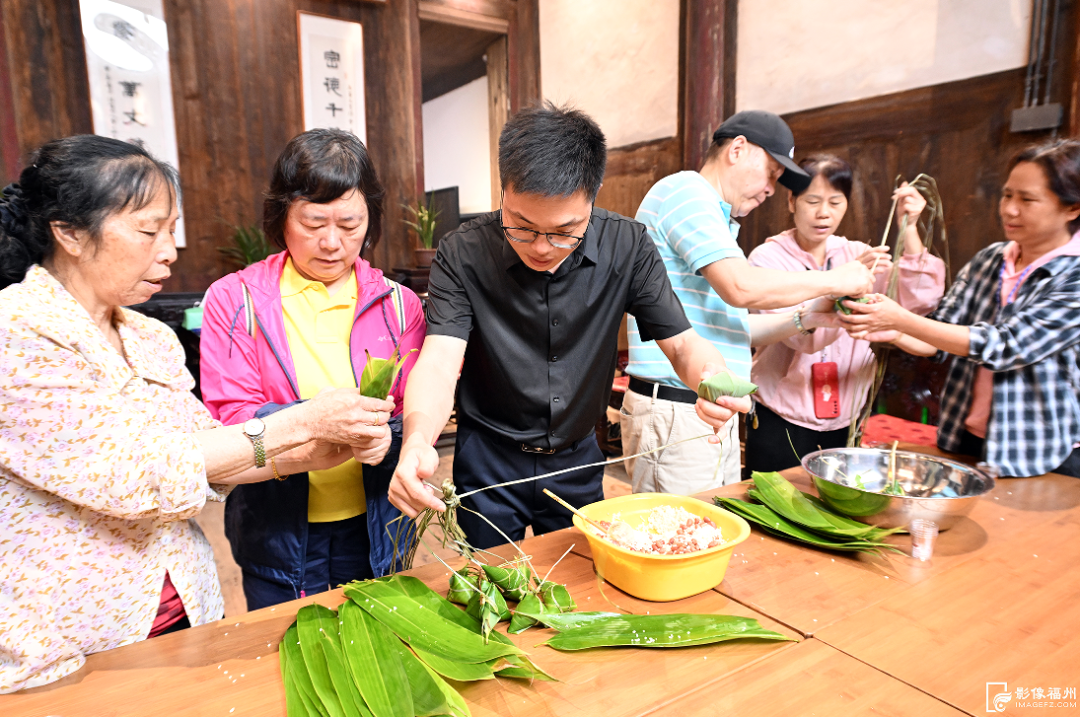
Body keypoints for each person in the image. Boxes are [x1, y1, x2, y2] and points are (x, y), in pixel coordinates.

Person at [0, 135, 395, 693]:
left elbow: (211, 450)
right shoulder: (16, 333)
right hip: (70, 643)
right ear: (68, 232)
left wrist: (308, 452)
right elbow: (132, 475)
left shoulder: (147, 336)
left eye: (170, 230)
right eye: (148, 231)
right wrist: (302, 423)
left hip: (184, 609)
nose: (168, 251)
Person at [388, 103, 752, 549]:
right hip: (488, 459)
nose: (541, 247)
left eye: (565, 231)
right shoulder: (462, 252)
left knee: (578, 583)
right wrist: (418, 440)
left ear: (593, 194)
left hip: (578, 459)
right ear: (502, 190)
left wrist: (709, 380)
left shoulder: (628, 245)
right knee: (487, 581)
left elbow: (681, 344)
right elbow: (441, 361)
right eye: (521, 226)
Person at [199, 129, 425, 610]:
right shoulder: (235, 301)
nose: (331, 243)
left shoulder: (400, 306)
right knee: (293, 657)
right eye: (313, 222)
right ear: (281, 217)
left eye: (349, 224)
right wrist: (313, 420)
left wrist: (390, 440)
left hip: (375, 529)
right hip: (276, 530)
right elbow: (230, 415)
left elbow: (414, 413)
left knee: (376, 647)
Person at [622, 110, 889, 492]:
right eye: (771, 174)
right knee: (681, 540)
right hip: (681, 405)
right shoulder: (687, 192)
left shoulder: (715, 217)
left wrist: (810, 318)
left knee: (710, 534)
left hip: (711, 405)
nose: (769, 189)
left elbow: (735, 328)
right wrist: (835, 279)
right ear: (738, 149)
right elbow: (741, 288)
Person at [840, 139, 1080, 478]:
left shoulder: (1074, 275)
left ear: (1072, 208)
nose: (1010, 209)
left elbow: (1005, 345)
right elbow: (938, 335)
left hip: (1037, 451)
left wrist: (901, 318)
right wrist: (893, 331)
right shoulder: (990, 260)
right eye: (1008, 195)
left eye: (1027, 200)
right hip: (964, 436)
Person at [744, 155, 946, 472]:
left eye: (835, 202)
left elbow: (919, 301)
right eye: (812, 201)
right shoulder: (767, 259)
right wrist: (838, 285)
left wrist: (909, 227)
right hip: (781, 416)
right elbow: (802, 338)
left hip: (847, 418)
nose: (824, 212)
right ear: (791, 200)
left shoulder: (857, 254)